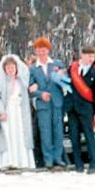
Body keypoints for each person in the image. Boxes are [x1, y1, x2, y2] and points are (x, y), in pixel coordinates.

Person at [0, 54, 35, 170]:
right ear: (4, 69)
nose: (10, 70)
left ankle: (21, 161)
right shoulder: (1, 82)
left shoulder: (21, 82)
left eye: (12, 67)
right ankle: (8, 161)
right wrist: (1, 111)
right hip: (7, 112)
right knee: (8, 135)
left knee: (20, 134)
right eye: (8, 68)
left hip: (19, 112)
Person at [28, 36, 67, 168]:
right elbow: (30, 89)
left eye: (43, 49)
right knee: (45, 132)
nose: (41, 52)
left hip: (57, 103)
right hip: (43, 105)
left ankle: (58, 158)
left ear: (48, 50)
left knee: (58, 131)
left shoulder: (57, 64)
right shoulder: (33, 69)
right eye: (38, 50)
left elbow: (65, 82)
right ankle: (48, 159)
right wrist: (40, 94)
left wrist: (62, 76)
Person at [65, 47, 95, 173]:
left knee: (89, 136)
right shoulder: (72, 68)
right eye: (89, 56)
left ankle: (93, 164)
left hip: (86, 109)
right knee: (74, 137)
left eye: (93, 57)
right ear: (82, 55)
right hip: (71, 108)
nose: (91, 59)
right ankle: (78, 165)